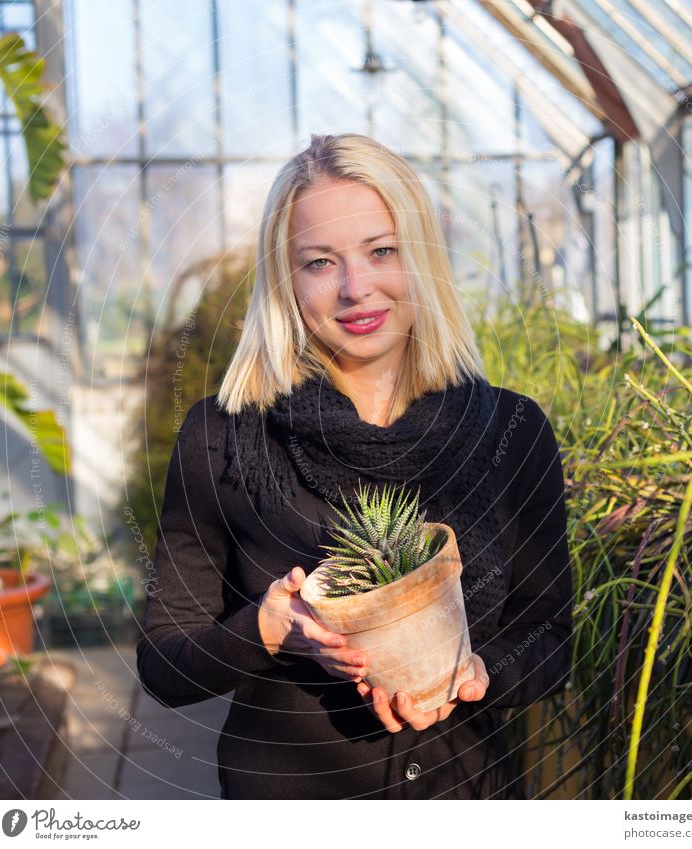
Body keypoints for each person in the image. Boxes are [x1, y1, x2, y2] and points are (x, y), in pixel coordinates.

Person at [136, 132, 573, 799]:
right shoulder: (224, 438)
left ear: (420, 258)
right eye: (319, 262)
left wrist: (480, 669)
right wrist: (267, 628)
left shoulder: (509, 433)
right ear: (285, 281)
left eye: (382, 251)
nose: (355, 288)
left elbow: (547, 632)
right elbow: (165, 664)